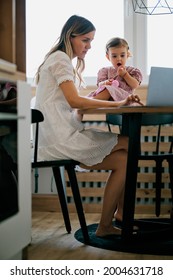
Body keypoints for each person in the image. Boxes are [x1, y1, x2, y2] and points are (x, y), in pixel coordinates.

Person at [34, 15, 142, 237]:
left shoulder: (59, 60)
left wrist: (85, 109)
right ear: (70, 36)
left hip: (61, 133)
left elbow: (69, 103)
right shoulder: (60, 60)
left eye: (91, 41)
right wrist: (120, 102)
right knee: (130, 148)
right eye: (85, 40)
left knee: (126, 155)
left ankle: (113, 220)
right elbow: (74, 101)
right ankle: (114, 220)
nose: (89, 46)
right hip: (60, 139)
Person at [88, 37, 143, 105]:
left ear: (127, 55)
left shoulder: (131, 70)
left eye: (122, 55)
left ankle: (91, 102)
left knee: (109, 89)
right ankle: (89, 101)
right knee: (99, 91)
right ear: (108, 57)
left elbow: (135, 85)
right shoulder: (105, 71)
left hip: (124, 98)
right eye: (114, 56)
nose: (119, 59)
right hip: (109, 101)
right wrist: (105, 83)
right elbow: (99, 85)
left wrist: (125, 75)